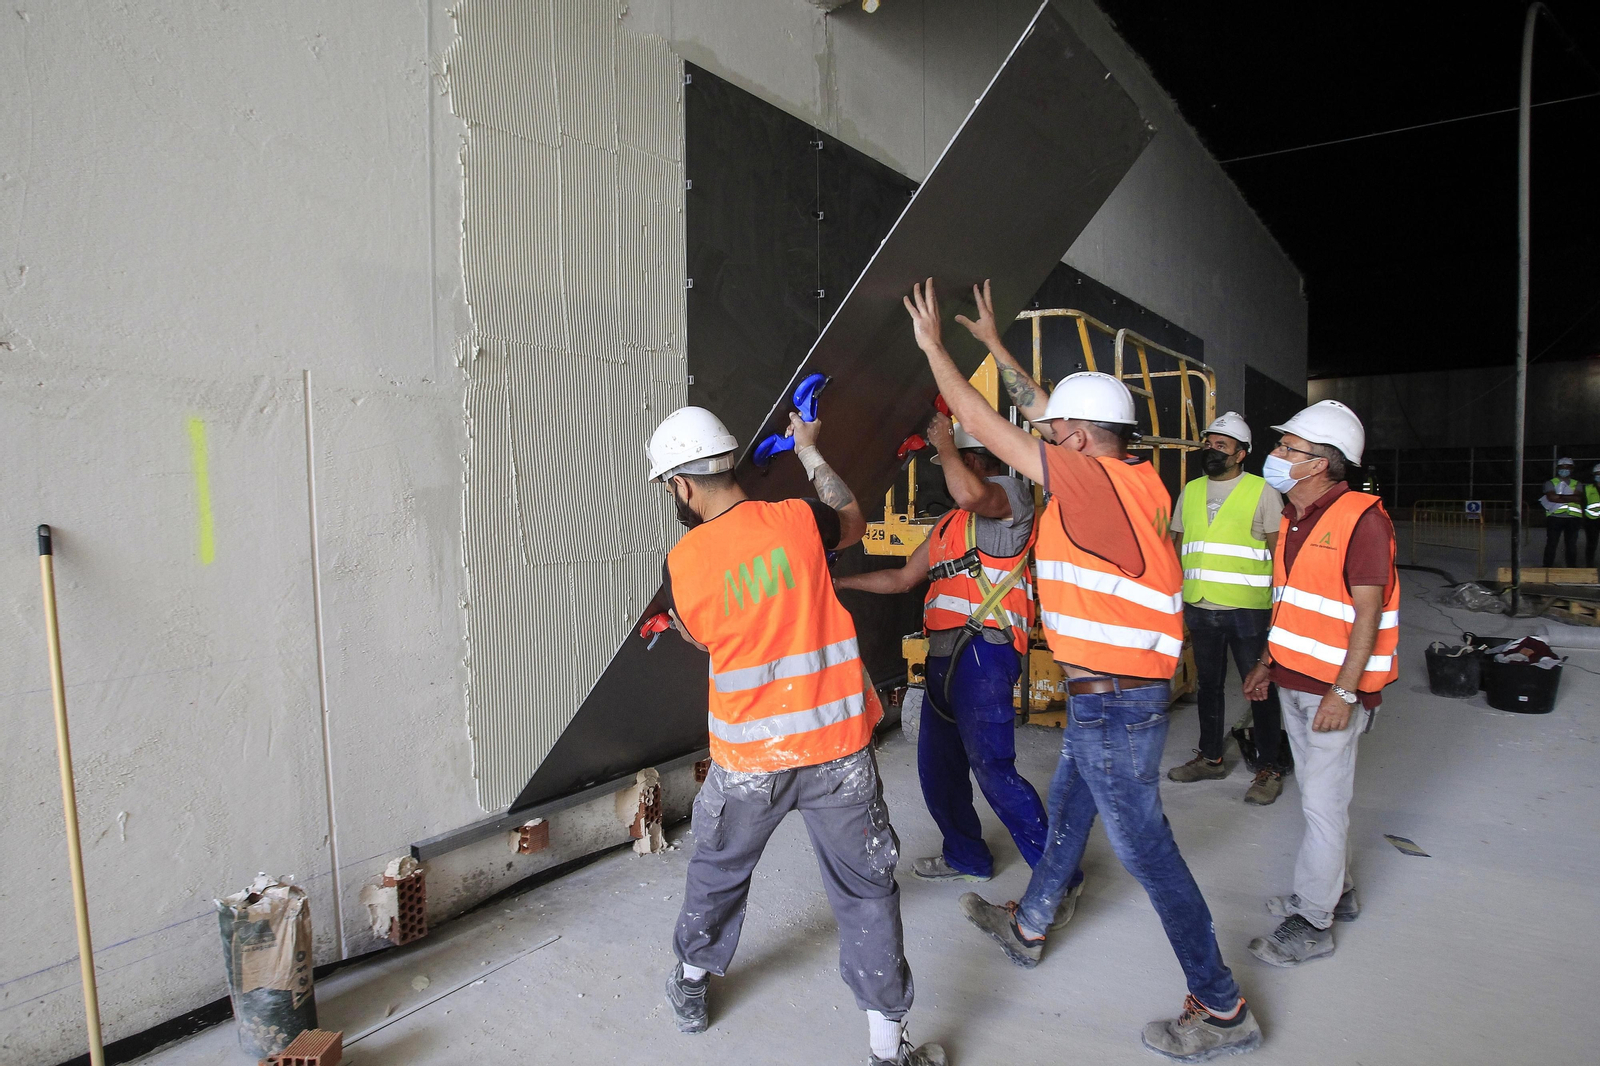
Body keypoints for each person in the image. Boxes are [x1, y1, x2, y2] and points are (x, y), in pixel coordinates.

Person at [905, 279, 1261, 1062]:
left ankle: (1223, 1005)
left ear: (1078, 439)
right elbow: (1041, 409)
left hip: (1116, 698)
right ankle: (1030, 926)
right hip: (1105, 690)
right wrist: (998, 343)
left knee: (1143, 846)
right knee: (1068, 808)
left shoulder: (1088, 481)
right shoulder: (1128, 472)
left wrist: (937, 349)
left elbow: (982, 421)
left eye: (1057, 427)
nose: (1047, 429)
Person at [649, 405, 945, 1066]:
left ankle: (692, 985)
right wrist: (810, 450)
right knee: (866, 888)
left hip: (749, 759)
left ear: (682, 485)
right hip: (837, 750)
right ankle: (885, 1049)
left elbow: (703, 637)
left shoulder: (685, 564)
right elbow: (854, 521)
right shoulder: (797, 521)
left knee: (719, 872)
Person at [837, 413, 1083, 910]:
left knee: (992, 767)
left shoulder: (1010, 497)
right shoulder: (951, 524)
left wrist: (944, 443)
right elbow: (905, 578)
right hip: (946, 660)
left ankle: (1061, 877)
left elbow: (973, 493)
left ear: (974, 459)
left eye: (954, 460)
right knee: (937, 766)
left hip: (986, 655)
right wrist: (837, 585)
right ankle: (967, 854)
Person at [1241, 399, 1399, 967]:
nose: (1277, 455)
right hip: (1296, 679)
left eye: (1289, 449)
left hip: (1332, 690)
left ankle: (1312, 921)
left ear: (1320, 464)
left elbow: (1368, 615)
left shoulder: (1362, 519)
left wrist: (1346, 692)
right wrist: (1266, 660)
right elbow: (1289, 603)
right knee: (1318, 798)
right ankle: (1339, 893)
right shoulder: (1295, 517)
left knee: (1324, 807)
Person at [1167, 412, 1289, 805]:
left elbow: (1280, 552)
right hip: (1200, 604)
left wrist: (1282, 608)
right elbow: (1176, 543)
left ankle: (1268, 767)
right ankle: (1211, 757)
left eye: (1221, 445)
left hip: (1248, 610)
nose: (1212, 450)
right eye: (1209, 443)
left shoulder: (1263, 492)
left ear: (1241, 454)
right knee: (1209, 685)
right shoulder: (1192, 490)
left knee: (1259, 689)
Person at [1541, 457, 1583, 569]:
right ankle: (1547, 568)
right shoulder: (1550, 483)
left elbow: (1578, 498)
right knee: (1552, 544)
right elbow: (1551, 497)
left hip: (1573, 518)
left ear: (1572, 469)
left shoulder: (1577, 483)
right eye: (1562, 468)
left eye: (1567, 468)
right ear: (1557, 469)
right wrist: (1571, 497)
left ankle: (1571, 568)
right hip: (1555, 517)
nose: (1564, 470)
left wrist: (1559, 497)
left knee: (1571, 545)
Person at [1584, 463, 1600, 568]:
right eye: (1598, 474)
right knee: (1591, 544)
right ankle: (1589, 567)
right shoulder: (1588, 488)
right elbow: (1583, 503)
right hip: (1591, 520)